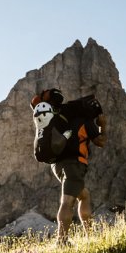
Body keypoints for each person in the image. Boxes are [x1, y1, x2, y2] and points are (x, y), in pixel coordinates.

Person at [51, 104, 106, 244]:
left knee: (84, 195)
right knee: (67, 201)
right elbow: (101, 142)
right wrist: (102, 125)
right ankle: (61, 241)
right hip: (74, 164)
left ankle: (90, 237)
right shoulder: (85, 122)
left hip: (57, 165)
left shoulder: (63, 120)